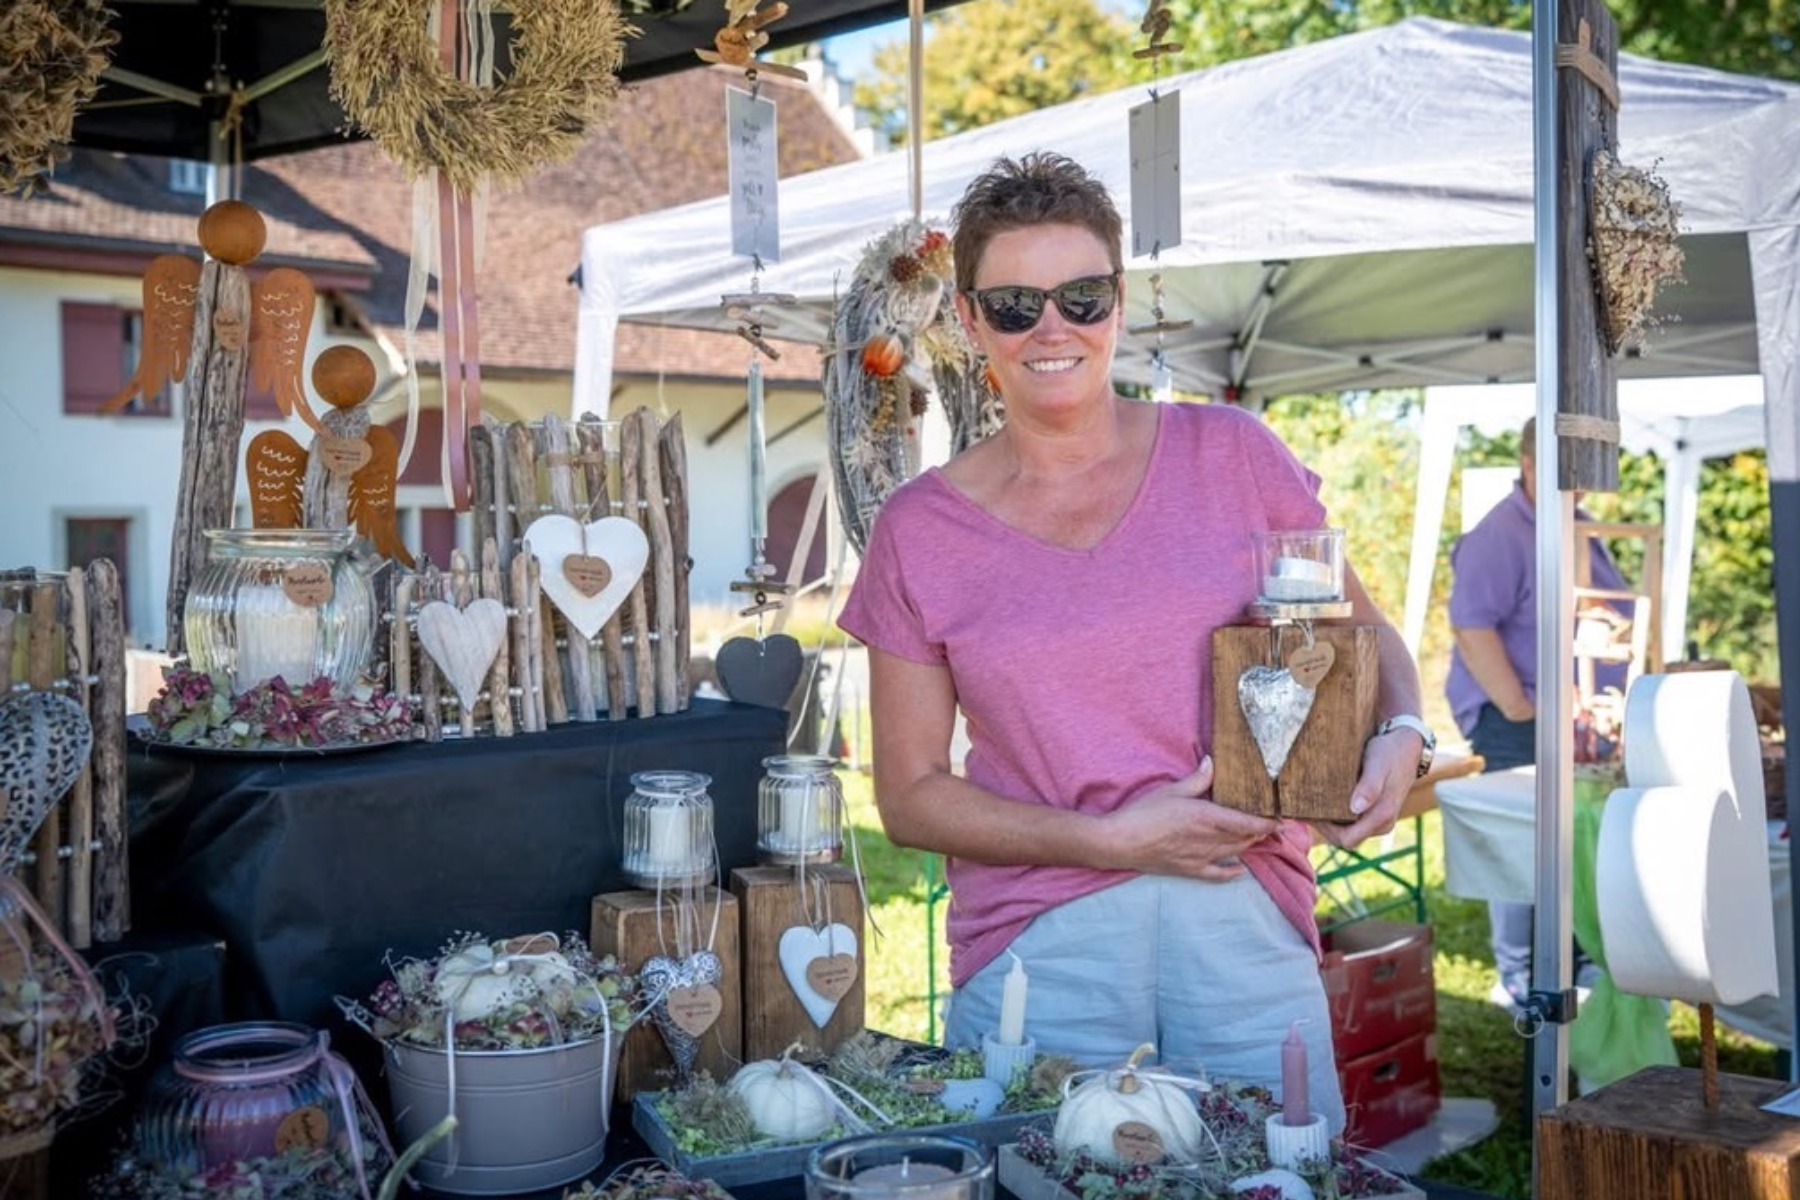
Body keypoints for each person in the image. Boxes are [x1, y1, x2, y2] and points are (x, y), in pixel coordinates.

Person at [838, 153, 1430, 1132]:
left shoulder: (1236, 456)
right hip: (1039, 949)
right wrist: (1108, 841)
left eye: (1080, 295)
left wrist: (1403, 730)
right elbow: (908, 796)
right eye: (1017, 304)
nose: (1052, 328)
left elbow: (1367, 640)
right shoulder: (919, 530)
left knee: (1275, 1183)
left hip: (1245, 918)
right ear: (971, 321)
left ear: (1120, 301)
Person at [1446, 417, 1630, 1011]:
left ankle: (1571, 964)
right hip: (1519, 717)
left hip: (1572, 718)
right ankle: (1521, 980)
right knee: (1526, 845)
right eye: (1571, 467)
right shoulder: (1503, 532)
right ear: (1532, 464)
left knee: (1570, 840)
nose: (1581, 483)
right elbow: (1472, 624)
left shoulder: (1573, 524)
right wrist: (1523, 707)